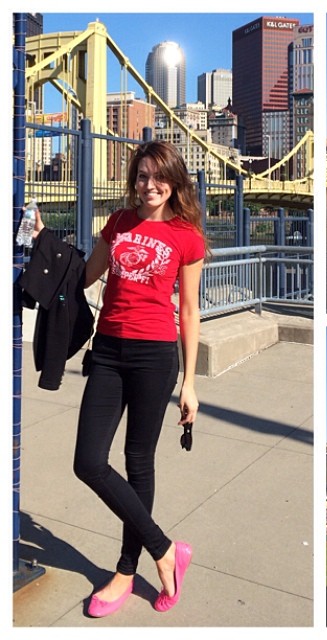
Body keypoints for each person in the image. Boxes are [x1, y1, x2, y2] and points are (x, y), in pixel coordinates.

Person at [32, 140, 206, 617]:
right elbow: (83, 277)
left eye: (159, 177)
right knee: (88, 461)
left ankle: (126, 571)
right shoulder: (119, 223)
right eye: (143, 176)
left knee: (138, 461)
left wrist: (190, 382)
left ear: (174, 182)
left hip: (154, 357)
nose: (150, 185)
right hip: (107, 351)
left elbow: (189, 312)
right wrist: (46, 242)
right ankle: (166, 549)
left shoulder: (188, 236)